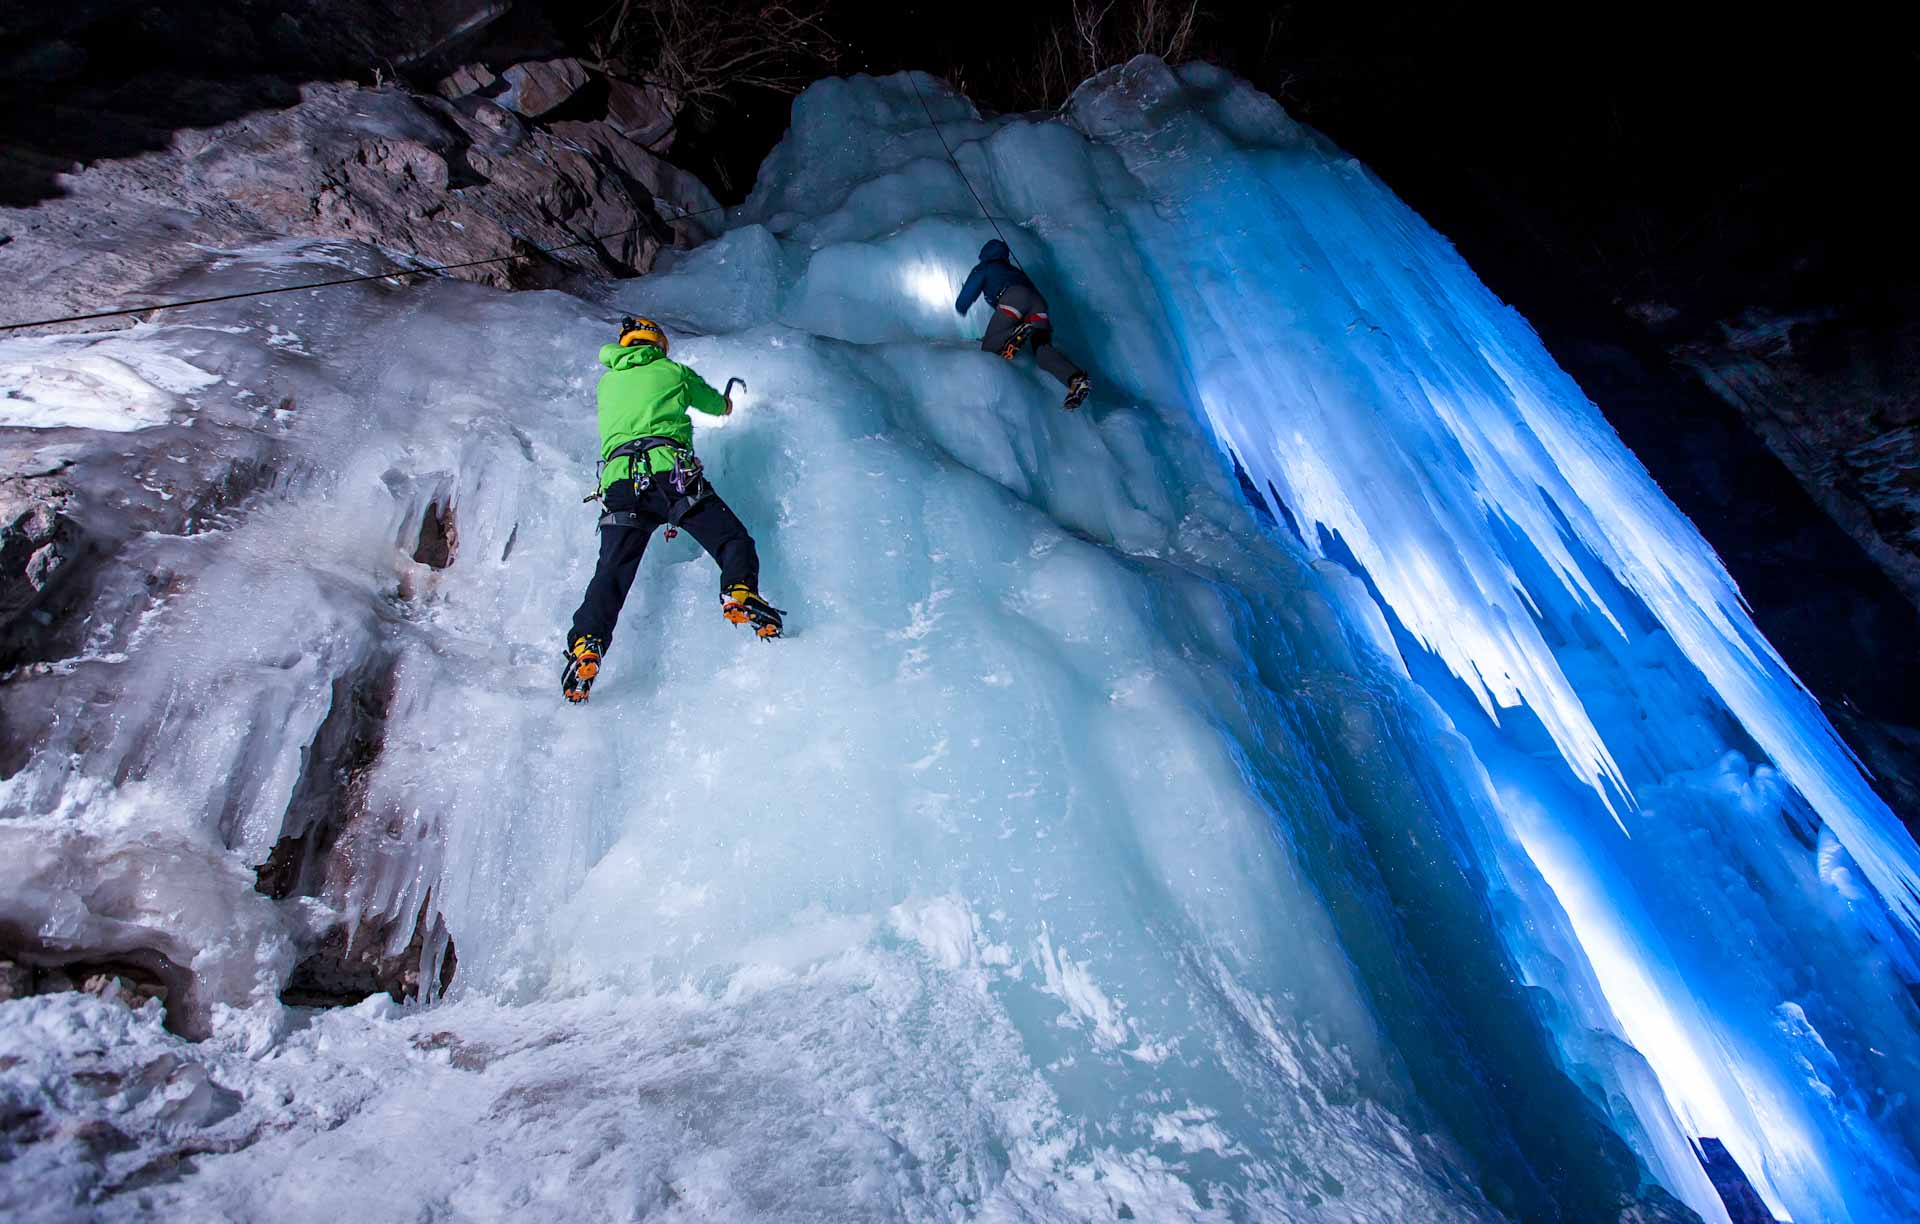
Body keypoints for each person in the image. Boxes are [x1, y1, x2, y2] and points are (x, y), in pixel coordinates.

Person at [563, 316, 784, 704]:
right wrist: (727, 403)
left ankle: (586, 643)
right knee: (731, 538)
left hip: (621, 484)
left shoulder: (607, 382)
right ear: (657, 345)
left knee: (612, 573)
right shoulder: (672, 371)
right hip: (671, 477)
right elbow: (716, 405)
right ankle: (738, 590)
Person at [954, 238, 1091, 411]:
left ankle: (1015, 333)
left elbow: (969, 292)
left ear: (985, 254)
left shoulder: (986, 267)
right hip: (1039, 304)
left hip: (1014, 298)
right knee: (1042, 352)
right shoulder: (1014, 271)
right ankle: (1076, 380)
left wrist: (961, 306)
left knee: (990, 346)